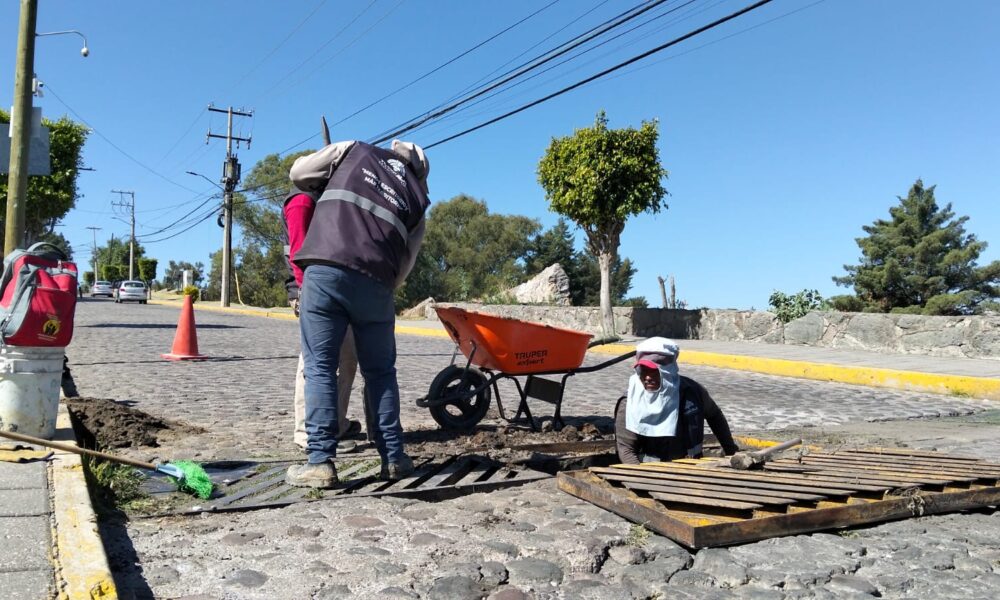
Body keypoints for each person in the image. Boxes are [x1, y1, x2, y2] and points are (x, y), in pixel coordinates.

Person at [285, 139, 430, 488]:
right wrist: (379, 287)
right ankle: (393, 458)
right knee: (381, 373)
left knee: (321, 367)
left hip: (326, 268)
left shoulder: (353, 150)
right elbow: (405, 263)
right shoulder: (416, 198)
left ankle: (320, 463)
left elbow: (299, 174)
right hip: (377, 283)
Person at [282, 200, 362, 454]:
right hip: (312, 290)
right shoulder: (303, 201)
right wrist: (308, 294)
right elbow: (297, 252)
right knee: (315, 361)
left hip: (337, 289)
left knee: (347, 357)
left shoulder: (331, 196)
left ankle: (335, 423)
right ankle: (309, 432)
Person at [615, 337, 739, 464]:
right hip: (651, 470)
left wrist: (731, 452)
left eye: (653, 371)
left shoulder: (692, 391)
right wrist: (642, 475)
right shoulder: (630, 402)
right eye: (643, 370)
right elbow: (626, 450)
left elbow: (715, 416)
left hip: (693, 467)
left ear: (668, 371)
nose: (647, 377)